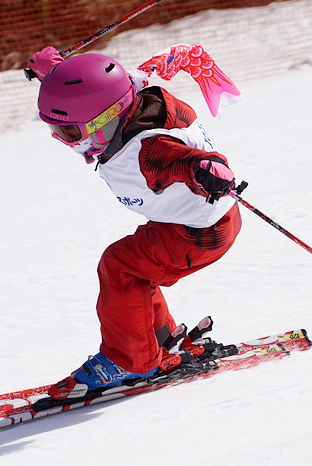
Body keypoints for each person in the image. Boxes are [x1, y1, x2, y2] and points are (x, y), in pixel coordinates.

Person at [28, 47, 242, 399]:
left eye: (69, 133)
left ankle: (131, 360)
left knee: (121, 267)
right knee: (134, 268)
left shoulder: (148, 151)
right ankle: (155, 339)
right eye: (57, 130)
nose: (66, 142)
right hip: (182, 222)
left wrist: (207, 170)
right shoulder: (128, 99)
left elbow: (186, 161)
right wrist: (56, 73)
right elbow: (97, 86)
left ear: (105, 120)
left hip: (197, 233)